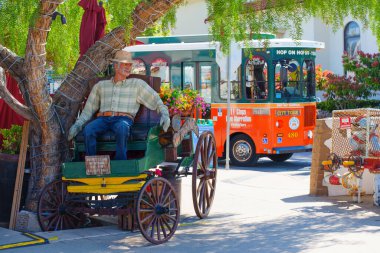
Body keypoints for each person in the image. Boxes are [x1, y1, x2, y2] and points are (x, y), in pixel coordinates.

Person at [68, 50, 170, 160]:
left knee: (122, 127)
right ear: (116, 66)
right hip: (103, 119)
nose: (128, 67)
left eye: (130, 65)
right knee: (88, 129)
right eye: (125, 64)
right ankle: (91, 162)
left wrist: (165, 114)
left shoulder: (137, 84)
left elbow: (155, 99)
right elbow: (88, 110)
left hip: (124, 119)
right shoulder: (101, 86)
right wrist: (77, 125)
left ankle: (121, 162)